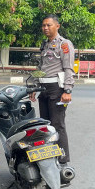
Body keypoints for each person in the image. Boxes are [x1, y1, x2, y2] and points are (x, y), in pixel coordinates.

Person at [29, 14, 75, 169]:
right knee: (46, 124)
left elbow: (69, 68)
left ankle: (63, 161)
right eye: (43, 25)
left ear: (57, 26)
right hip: (44, 89)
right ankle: (49, 156)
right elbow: (41, 68)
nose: (45, 28)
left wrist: (67, 90)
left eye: (49, 25)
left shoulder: (64, 44)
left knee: (57, 124)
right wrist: (34, 86)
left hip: (57, 89)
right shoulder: (44, 45)